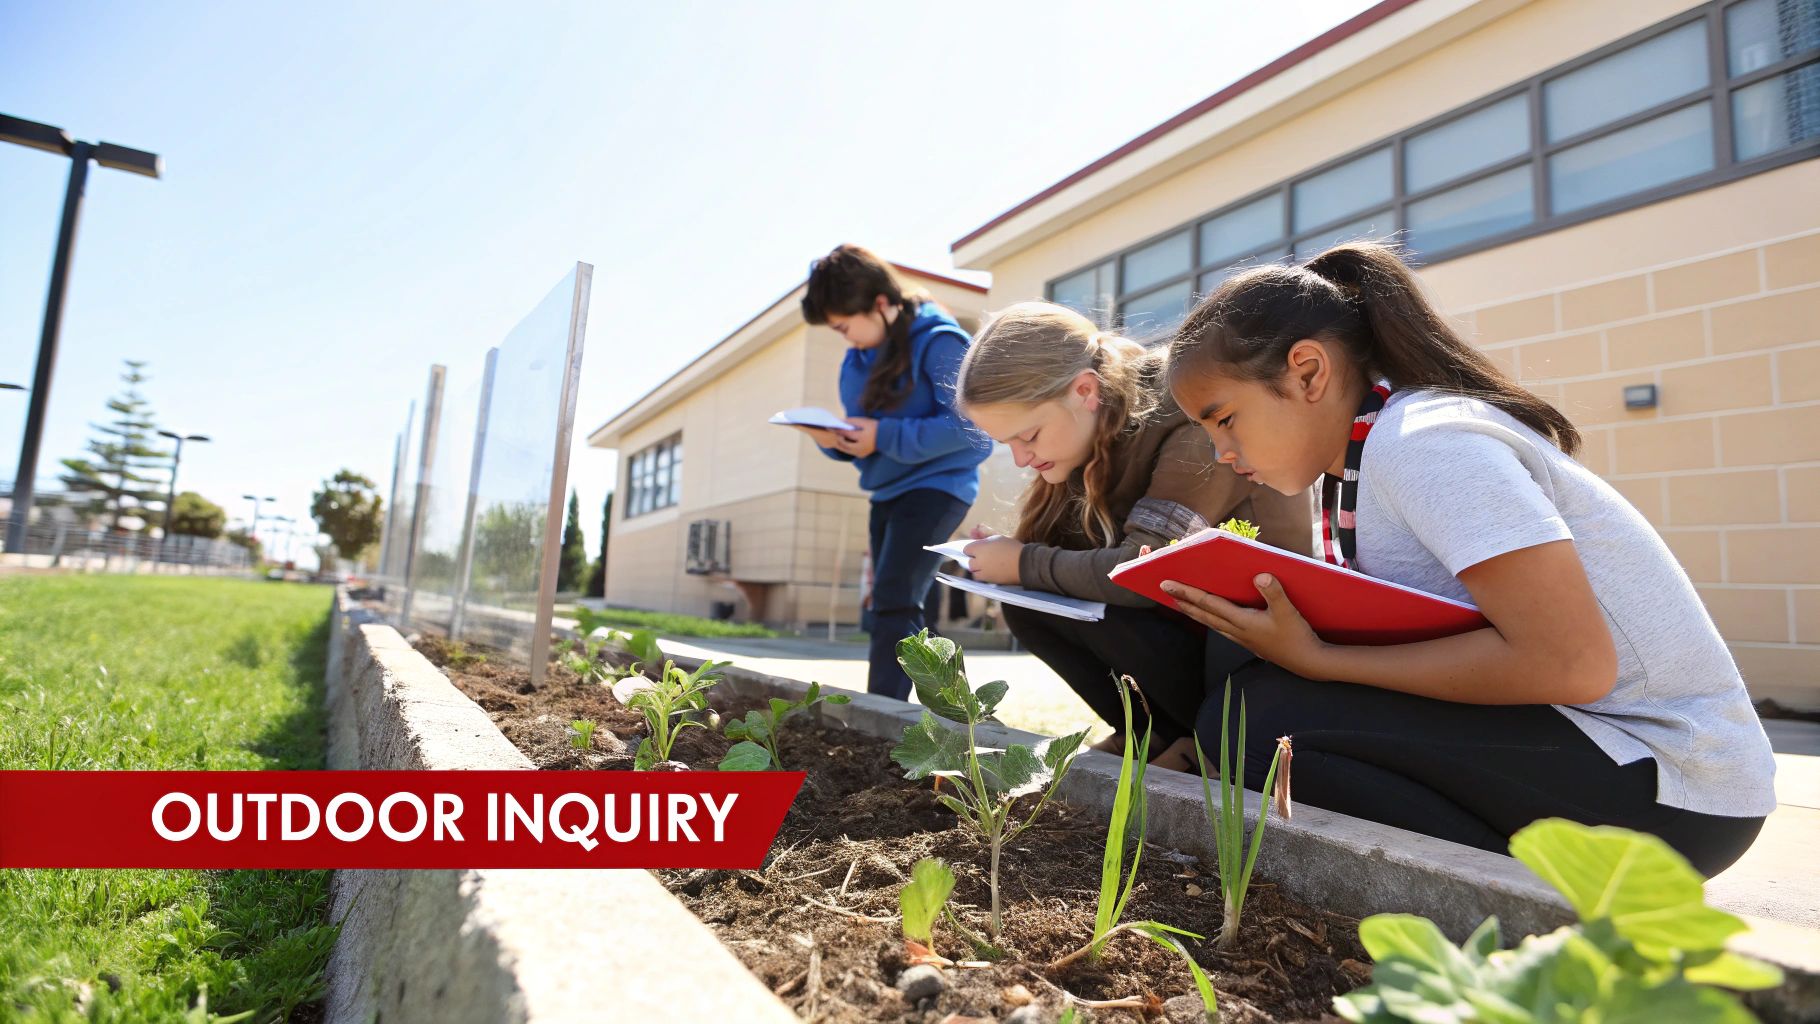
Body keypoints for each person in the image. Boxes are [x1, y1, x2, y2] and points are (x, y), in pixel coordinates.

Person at [1160, 241, 1775, 875]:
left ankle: (1514, 912)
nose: (1222, 453)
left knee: (1260, 721)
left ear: (1308, 372)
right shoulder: (1353, 467)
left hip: (1675, 784)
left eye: (1226, 419)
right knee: (1243, 667)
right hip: (1584, 742)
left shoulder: (1426, 444)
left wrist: (1321, 660)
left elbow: (1572, 663)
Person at [956, 301, 1313, 768]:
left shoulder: (1190, 418)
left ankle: (1202, 743)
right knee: (1030, 605)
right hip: (1195, 626)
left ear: (1085, 390)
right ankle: (1151, 733)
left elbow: (1147, 573)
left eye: (1030, 436)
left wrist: (1022, 561)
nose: (1022, 459)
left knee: (1101, 603)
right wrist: (1008, 560)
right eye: (1008, 445)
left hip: (1259, 653)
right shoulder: (1089, 434)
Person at [796, 245, 991, 700]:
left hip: (940, 487)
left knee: (893, 597)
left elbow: (975, 432)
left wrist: (881, 436)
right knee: (908, 605)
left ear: (881, 303)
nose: (845, 338)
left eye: (845, 326)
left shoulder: (940, 341)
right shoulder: (858, 359)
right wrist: (837, 444)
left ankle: (883, 713)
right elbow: (865, 438)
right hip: (886, 491)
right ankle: (948, 714)